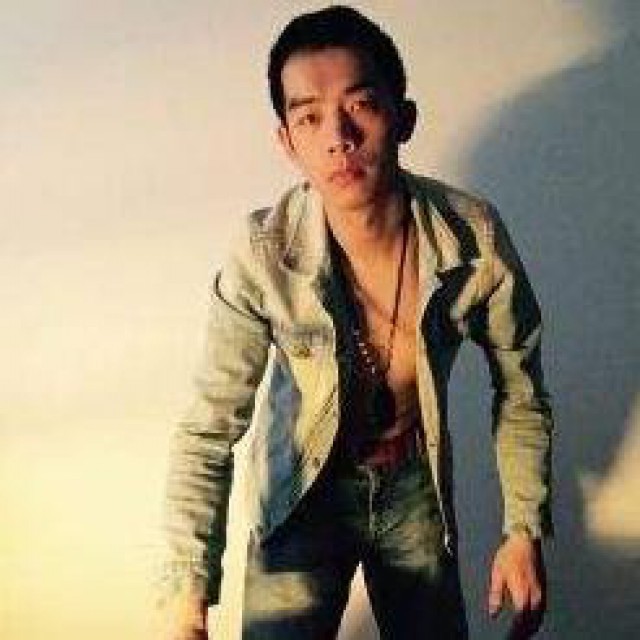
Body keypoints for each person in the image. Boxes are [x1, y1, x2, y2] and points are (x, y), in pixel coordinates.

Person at [162, 5, 554, 639]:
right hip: (301, 489)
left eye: (361, 105)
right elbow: (209, 426)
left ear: (403, 118)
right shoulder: (263, 254)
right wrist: (187, 597)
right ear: (287, 142)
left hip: (413, 482)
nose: (337, 137)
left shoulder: (472, 238)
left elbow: (520, 387)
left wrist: (523, 530)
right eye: (309, 117)